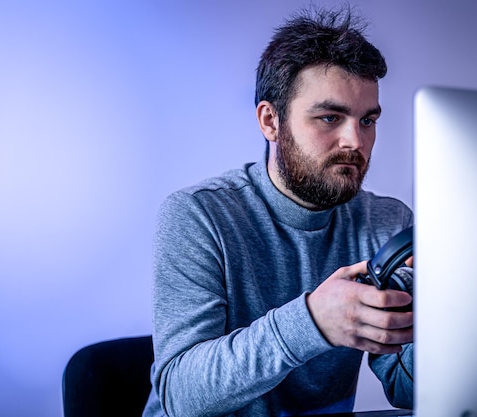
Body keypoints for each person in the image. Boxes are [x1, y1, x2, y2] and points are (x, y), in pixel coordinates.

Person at [142, 5, 414, 417]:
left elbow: (406, 388)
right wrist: (312, 322)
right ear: (271, 121)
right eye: (329, 117)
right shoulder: (198, 216)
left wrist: (449, 316)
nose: (355, 142)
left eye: (368, 121)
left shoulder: (388, 224)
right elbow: (181, 396)